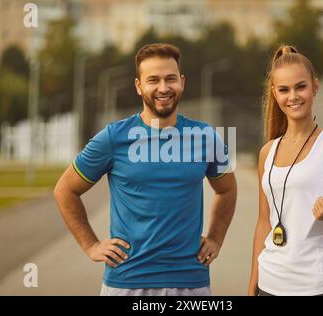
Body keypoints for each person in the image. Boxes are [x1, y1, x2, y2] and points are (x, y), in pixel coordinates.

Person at [54, 43, 237, 296]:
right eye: (153, 80)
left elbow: (227, 190)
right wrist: (91, 245)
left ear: (182, 82)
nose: (163, 88)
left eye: (170, 79)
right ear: (139, 86)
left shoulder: (206, 137)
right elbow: (65, 190)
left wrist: (216, 238)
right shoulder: (112, 138)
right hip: (127, 280)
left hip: (190, 281)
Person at [247, 45, 323, 296]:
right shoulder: (266, 153)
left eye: (300, 86)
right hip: (269, 284)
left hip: (319, 286)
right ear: (274, 93)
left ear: (315, 87)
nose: (293, 96)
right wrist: (253, 286)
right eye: (284, 90)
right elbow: (264, 223)